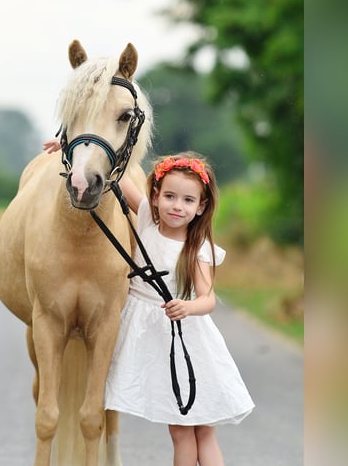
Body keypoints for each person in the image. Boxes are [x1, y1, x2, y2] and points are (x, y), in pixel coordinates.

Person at [44, 140, 255, 466]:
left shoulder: (196, 248)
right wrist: (75, 145)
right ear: (155, 197)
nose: (177, 206)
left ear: (200, 207)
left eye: (188, 200)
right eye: (169, 196)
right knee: (181, 430)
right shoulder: (144, 218)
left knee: (204, 431)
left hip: (190, 342)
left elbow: (208, 299)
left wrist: (188, 307)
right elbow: (117, 167)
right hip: (154, 336)